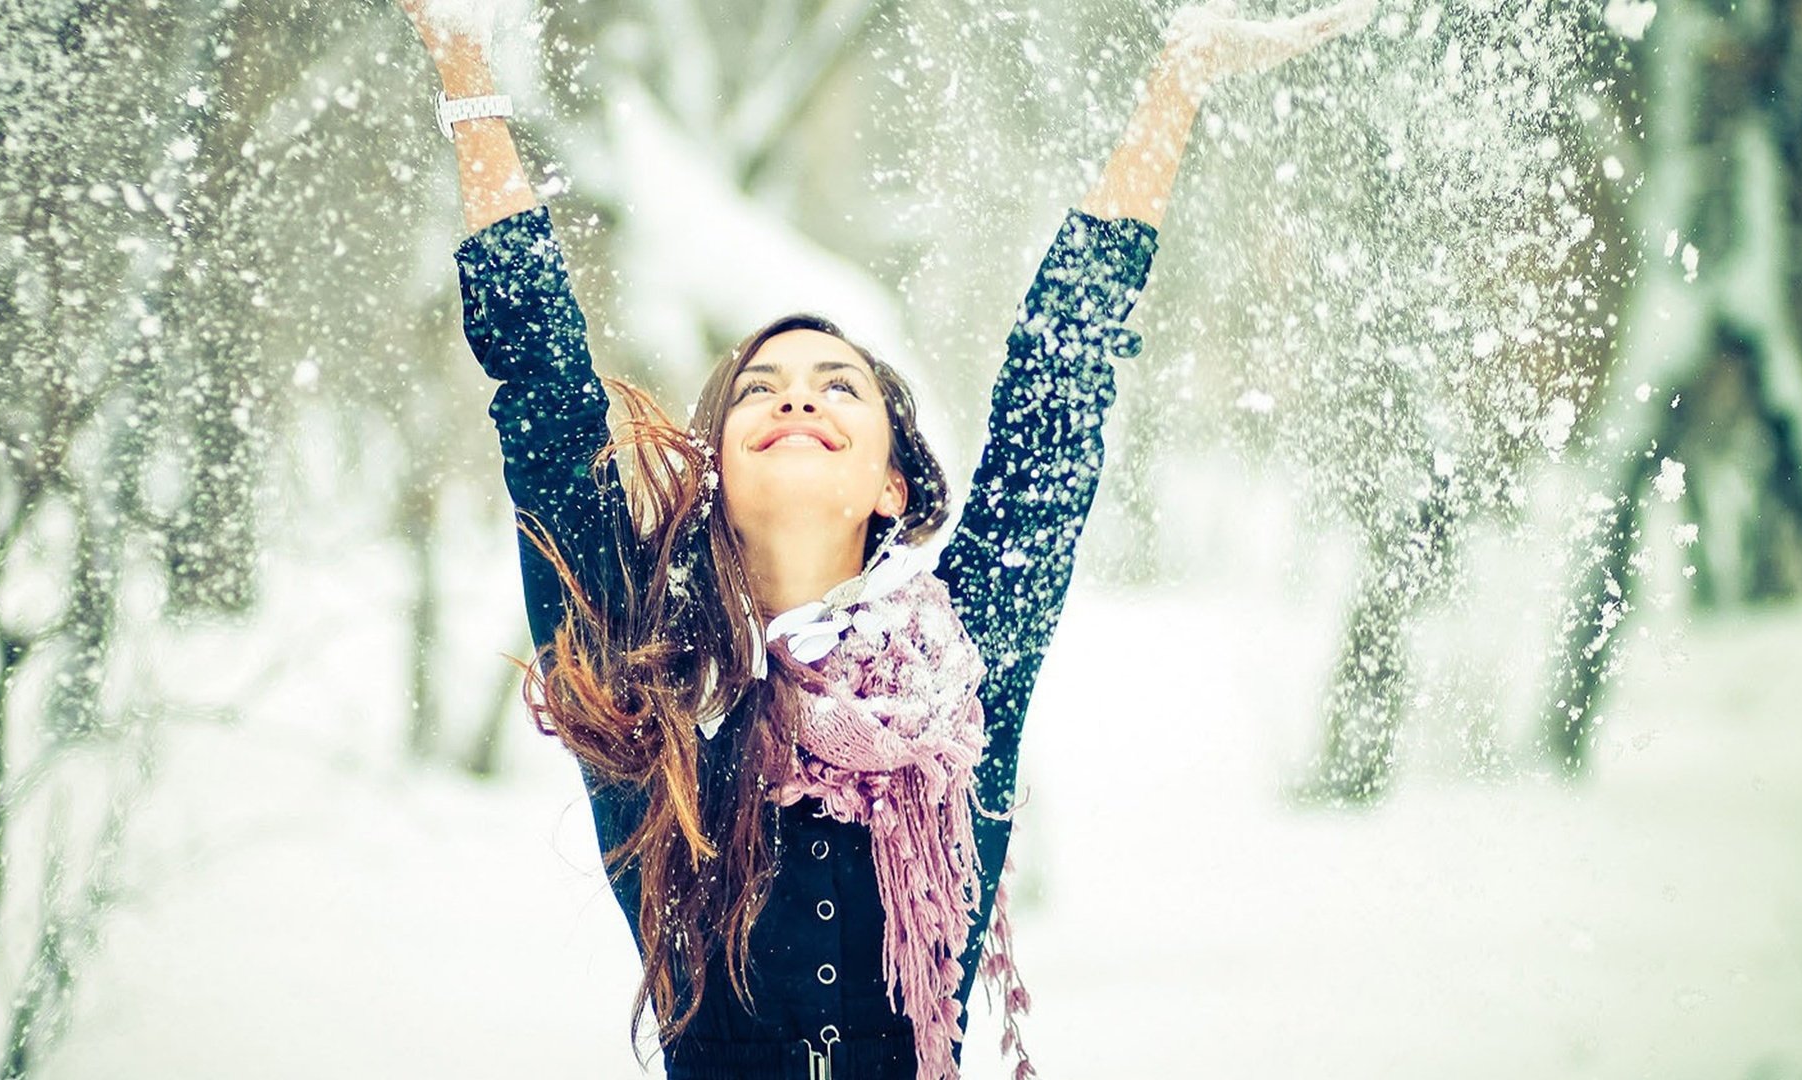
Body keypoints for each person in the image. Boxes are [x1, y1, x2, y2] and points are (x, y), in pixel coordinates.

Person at [396, 2, 1374, 1077]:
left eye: (837, 386)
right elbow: (541, 389)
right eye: (758, 388)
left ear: (889, 479)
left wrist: (1175, 85)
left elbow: (1061, 381)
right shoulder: (653, 678)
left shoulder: (963, 668)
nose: (796, 397)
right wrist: (465, 59)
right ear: (717, 467)